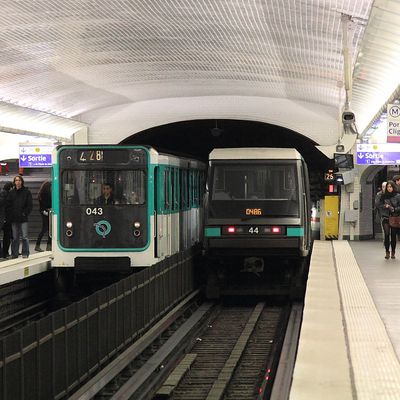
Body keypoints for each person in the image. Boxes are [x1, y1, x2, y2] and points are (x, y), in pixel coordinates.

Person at [6, 175, 33, 259]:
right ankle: (14, 254)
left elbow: (30, 205)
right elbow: (8, 205)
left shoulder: (26, 192)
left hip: (23, 218)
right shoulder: (11, 193)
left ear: (22, 181)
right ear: (14, 182)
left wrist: (25, 213)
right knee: (15, 237)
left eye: (19, 180)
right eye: (16, 180)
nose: (17, 182)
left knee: (25, 237)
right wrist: (10, 215)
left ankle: (25, 253)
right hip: (14, 219)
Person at [375, 180, 400, 259]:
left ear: (393, 187)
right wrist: (385, 206)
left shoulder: (397, 196)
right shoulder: (382, 195)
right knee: (386, 234)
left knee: (393, 235)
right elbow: (378, 205)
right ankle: (387, 252)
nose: (389, 188)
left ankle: (393, 251)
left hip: (394, 217)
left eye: (391, 187)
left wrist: (394, 209)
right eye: (388, 187)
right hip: (385, 217)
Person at [35, 180, 52, 252]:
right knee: (49, 229)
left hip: (44, 212)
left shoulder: (41, 194)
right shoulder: (47, 194)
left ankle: (38, 245)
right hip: (48, 212)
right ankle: (48, 246)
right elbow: (48, 204)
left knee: (45, 229)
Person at [1, 182, 13, 258]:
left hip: (2, 218)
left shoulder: (2, 194)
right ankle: (5, 253)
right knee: (7, 237)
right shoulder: (9, 196)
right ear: (10, 188)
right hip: (6, 219)